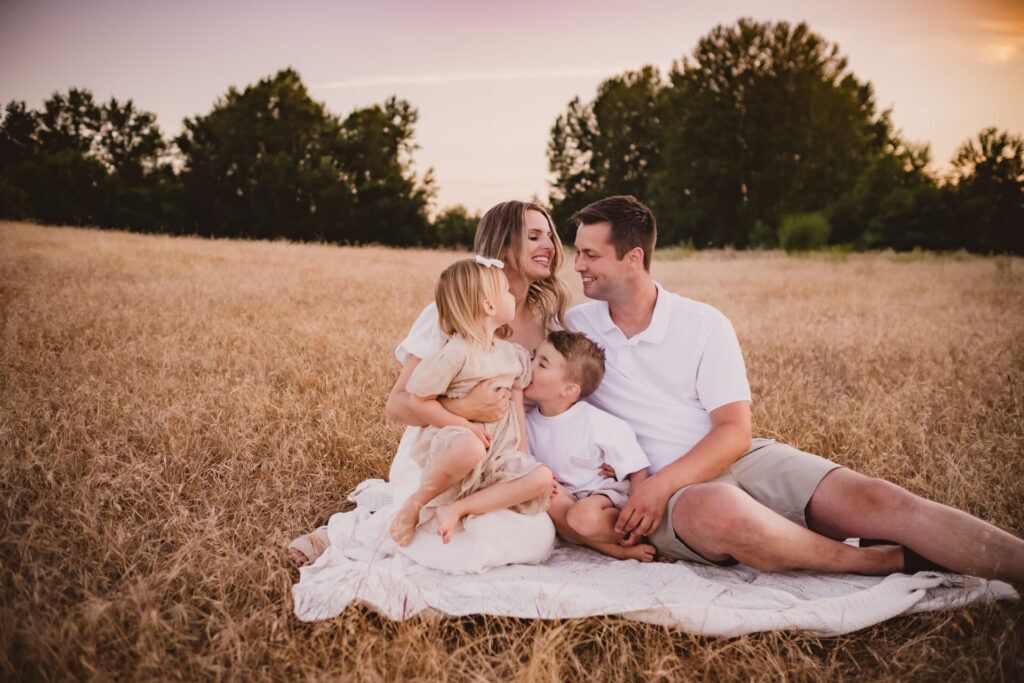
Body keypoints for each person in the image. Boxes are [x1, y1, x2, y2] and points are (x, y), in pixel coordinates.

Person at [564, 194, 1024, 581]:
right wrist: (654, 488)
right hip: (663, 496)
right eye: (577, 252)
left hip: (732, 458)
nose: (578, 264)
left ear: (634, 257)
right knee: (723, 510)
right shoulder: (573, 328)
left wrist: (663, 483)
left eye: (590, 254)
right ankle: (874, 560)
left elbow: (733, 431)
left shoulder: (702, 323)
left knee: (882, 498)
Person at [287, 200, 569, 567]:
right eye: (534, 236)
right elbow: (397, 404)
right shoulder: (451, 311)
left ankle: (430, 529)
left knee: (533, 533)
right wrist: (465, 410)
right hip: (446, 450)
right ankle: (350, 533)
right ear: (502, 246)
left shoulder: (549, 320)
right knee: (468, 528)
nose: (549, 245)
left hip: (500, 453)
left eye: (549, 235)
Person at [388, 257, 553, 546]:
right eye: (506, 291)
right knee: (469, 449)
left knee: (541, 477)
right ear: (489, 306)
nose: (512, 296)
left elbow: (516, 408)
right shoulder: (457, 352)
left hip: (498, 451)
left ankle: (458, 509)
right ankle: (417, 503)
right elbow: (418, 401)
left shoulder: (512, 354)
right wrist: (465, 425)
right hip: (457, 440)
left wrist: (522, 452)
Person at [525, 330, 656, 562]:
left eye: (542, 364)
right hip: (567, 499)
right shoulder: (527, 423)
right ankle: (610, 549)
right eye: (533, 357)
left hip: (603, 499)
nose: (529, 366)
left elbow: (637, 468)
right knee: (545, 496)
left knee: (582, 516)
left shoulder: (596, 422)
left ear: (569, 390)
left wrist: (634, 515)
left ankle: (630, 538)